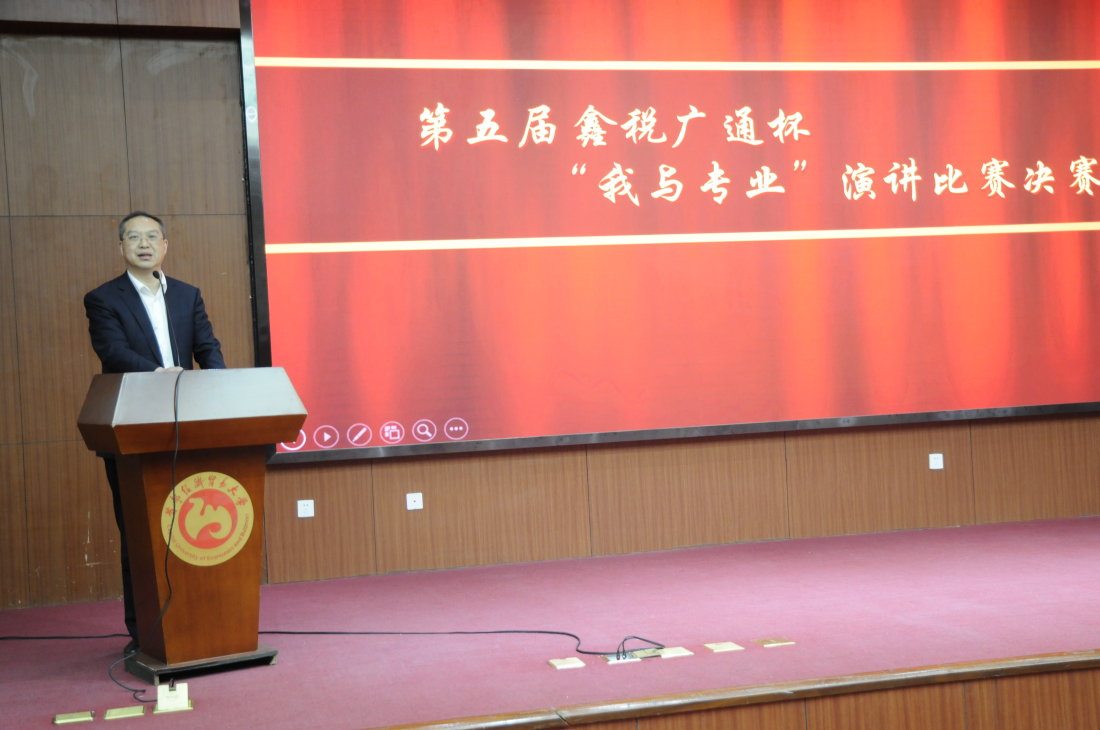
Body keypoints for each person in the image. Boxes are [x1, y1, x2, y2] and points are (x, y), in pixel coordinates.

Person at [84, 212, 226, 655]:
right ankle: (144, 632)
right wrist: (158, 373)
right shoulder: (102, 298)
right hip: (134, 424)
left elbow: (208, 347)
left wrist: (222, 387)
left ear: (165, 245)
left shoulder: (187, 294)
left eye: (152, 237)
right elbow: (112, 350)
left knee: (192, 528)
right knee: (140, 532)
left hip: (188, 422)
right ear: (121, 247)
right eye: (134, 237)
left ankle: (202, 622)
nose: (143, 244)